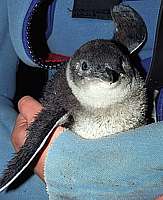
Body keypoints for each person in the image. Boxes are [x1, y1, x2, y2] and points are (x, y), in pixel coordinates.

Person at [0, 0, 162, 199]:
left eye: (118, 65)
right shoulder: (68, 102)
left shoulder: (128, 78)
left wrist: (67, 174)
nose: (108, 75)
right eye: (86, 68)